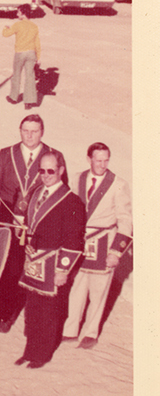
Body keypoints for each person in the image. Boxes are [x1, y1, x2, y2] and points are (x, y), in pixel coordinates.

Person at [0, 114, 64, 333]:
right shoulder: (6, 153)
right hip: (9, 221)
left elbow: (59, 191)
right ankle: (6, 312)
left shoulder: (54, 156)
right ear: (20, 130)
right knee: (9, 268)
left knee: (34, 267)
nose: (29, 135)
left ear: (42, 132)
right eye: (25, 130)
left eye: (34, 131)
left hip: (37, 222)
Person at [15, 151, 85, 368]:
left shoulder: (71, 201)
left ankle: (42, 354)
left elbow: (74, 239)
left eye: (50, 171)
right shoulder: (36, 192)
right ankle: (29, 350)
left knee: (49, 312)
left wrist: (63, 270)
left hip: (53, 264)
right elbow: (30, 224)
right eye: (42, 171)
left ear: (61, 171)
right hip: (34, 260)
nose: (45, 175)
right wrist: (25, 239)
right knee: (33, 309)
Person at [62, 142, 132, 349]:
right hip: (80, 241)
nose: (102, 165)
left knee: (98, 291)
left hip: (104, 242)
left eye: (106, 160)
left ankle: (91, 333)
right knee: (76, 288)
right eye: (98, 160)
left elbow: (125, 220)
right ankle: (70, 330)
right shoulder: (77, 178)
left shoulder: (118, 184)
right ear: (89, 159)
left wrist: (116, 252)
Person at [2, 5, 41, 109]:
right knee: (30, 76)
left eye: (18, 12)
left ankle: (13, 97)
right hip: (31, 53)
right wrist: (38, 57)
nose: (17, 14)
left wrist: (5, 28)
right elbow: (37, 43)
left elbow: (6, 34)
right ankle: (29, 101)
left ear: (23, 14)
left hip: (20, 53)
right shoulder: (34, 26)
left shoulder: (18, 25)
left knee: (16, 75)